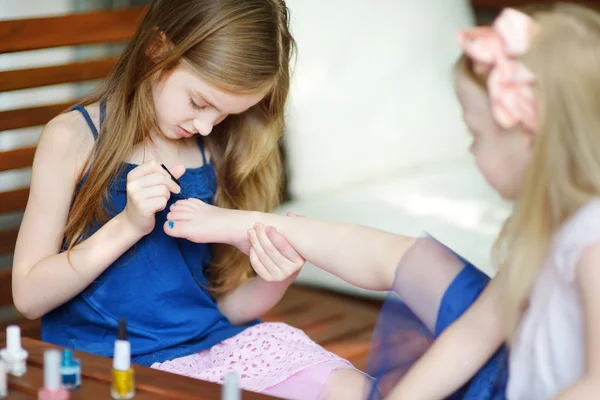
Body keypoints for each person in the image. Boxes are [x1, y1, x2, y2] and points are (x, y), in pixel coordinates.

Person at [164, 3, 600, 399]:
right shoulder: (546, 222)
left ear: (531, 140)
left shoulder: (591, 242)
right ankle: (257, 224)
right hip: (508, 377)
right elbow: (479, 328)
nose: (470, 151)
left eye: (477, 136)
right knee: (424, 263)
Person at [11, 0, 370, 398]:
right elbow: (28, 297)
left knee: (353, 389)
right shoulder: (72, 139)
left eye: (223, 115)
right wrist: (127, 226)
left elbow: (220, 310)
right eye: (199, 102)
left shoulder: (211, 150)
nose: (204, 125)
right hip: (118, 363)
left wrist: (277, 279)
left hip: (215, 347)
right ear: (158, 49)